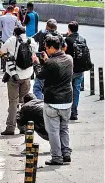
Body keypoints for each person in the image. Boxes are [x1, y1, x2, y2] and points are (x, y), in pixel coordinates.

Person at [32, 35, 73, 165]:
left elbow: (40, 75)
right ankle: (66, 153)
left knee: (53, 131)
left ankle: (57, 157)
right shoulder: (69, 59)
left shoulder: (50, 63)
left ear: (50, 48)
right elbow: (56, 68)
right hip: (67, 100)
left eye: (46, 47)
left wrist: (36, 62)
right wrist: (47, 60)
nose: (45, 49)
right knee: (64, 128)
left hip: (53, 101)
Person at [0, 26, 37, 135]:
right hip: (27, 76)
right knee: (23, 103)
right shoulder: (31, 41)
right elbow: (34, 55)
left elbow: (2, 51)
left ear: (14, 33)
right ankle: (23, 127)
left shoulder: (11, 40)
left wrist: (8, 58)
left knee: (13, 102)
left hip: (14, 76)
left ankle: (10, 128)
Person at [64, 21, 91, 120]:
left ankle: (67, 111)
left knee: (67, 90)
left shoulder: (67, 40)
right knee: (76, 90)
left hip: (70, 69)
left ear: (69, 29)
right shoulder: (82, 39)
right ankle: (74, 112)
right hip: (80, 69)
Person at [32, 19, 64, 99]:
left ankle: (40, 106)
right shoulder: (59, 35)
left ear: (47, 26)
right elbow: (64, 46)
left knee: (38, 87)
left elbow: (32, 40)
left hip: (42, 63)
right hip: (56, 63)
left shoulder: (42, 33)